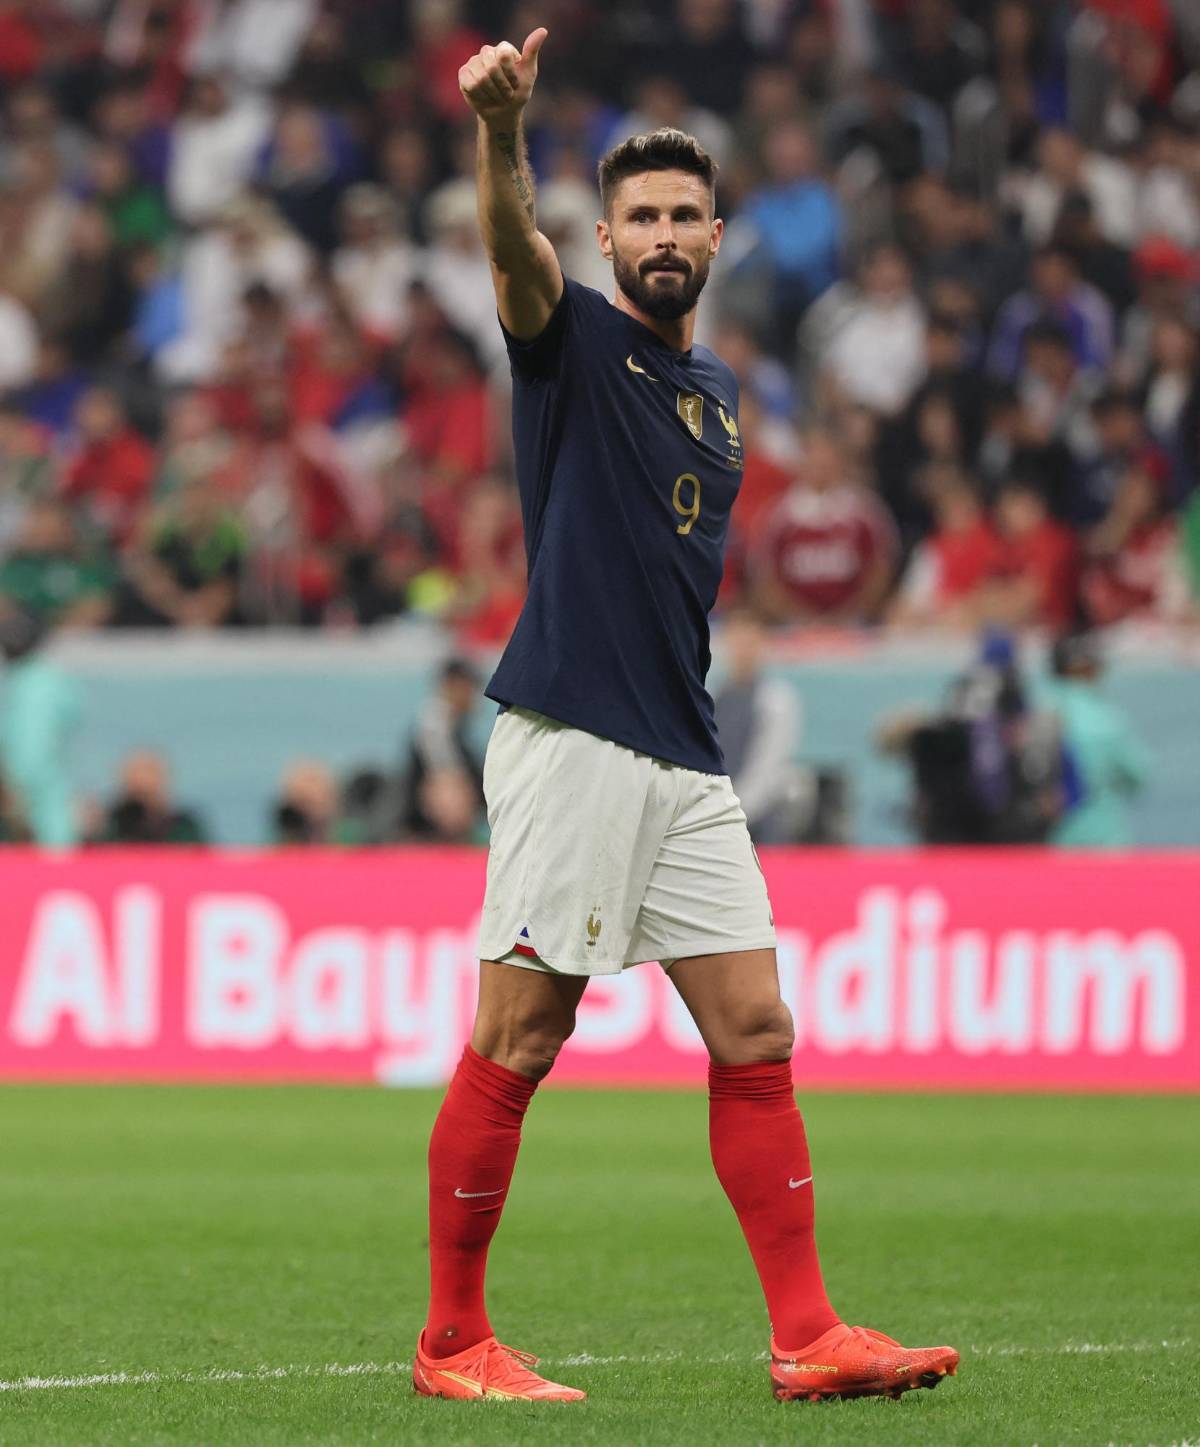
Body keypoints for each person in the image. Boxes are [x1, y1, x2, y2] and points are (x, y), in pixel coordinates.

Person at [412, 25, 959, 1408]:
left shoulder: (721, 401)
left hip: (683, 750)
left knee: (757, 1027)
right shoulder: (573, 343)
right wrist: (498, 132)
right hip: (577, 735)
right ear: (605, 239)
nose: (662, 233)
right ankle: (451, 1340)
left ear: (718, 235)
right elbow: (511, 260)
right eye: (638, 215)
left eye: (683, 214)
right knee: (520, 1037)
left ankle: (808, 1331)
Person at [1043, 631, 1148, 848]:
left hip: (1050, 842)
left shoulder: (1040, 713)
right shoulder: (1107, 720)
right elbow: (1138, 775)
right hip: (1105, 839)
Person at [0, 608, 82, 849]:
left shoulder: (48, 677)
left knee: (52, 820)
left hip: (43, 769)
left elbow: (73, 711)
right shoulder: (14, 680)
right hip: (14, 772)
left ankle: (59, 873)